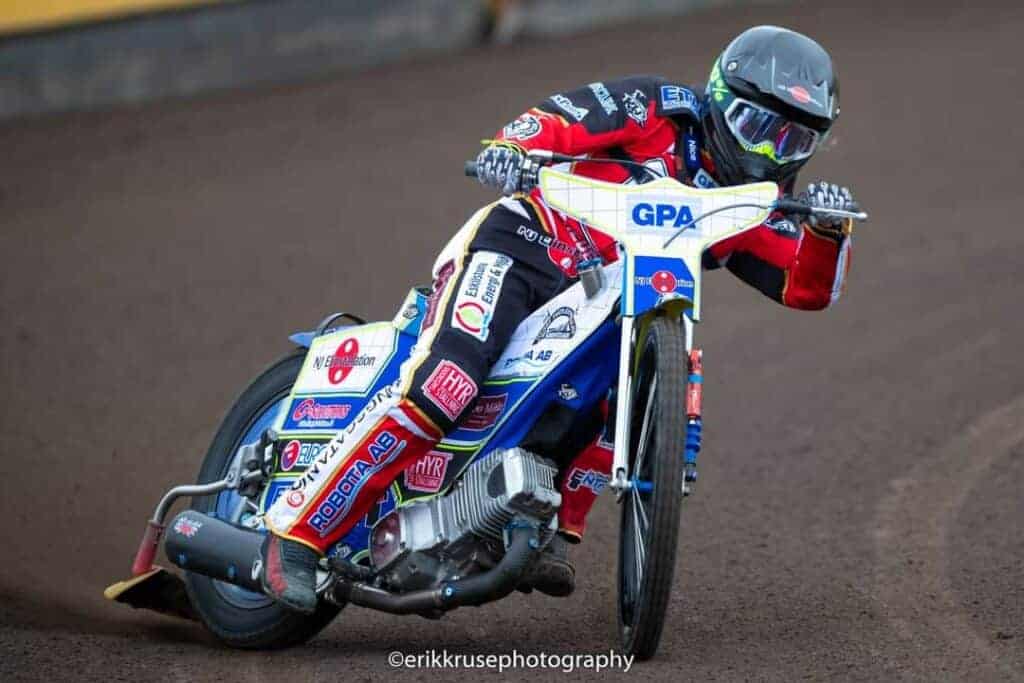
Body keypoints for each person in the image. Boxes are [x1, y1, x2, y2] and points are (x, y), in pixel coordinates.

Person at [259, 25, 858, 613]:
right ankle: (296, 532)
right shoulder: (659, 107)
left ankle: (551, 525)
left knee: (632, 379)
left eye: (792, 141)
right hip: (526, 246)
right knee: (447, 382)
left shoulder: (751, 206)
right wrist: (512, 148)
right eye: (757, 128)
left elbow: (804, 287)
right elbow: (561, 116)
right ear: (720, 99)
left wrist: (828, 234)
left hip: (606, 304)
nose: (766, 153)